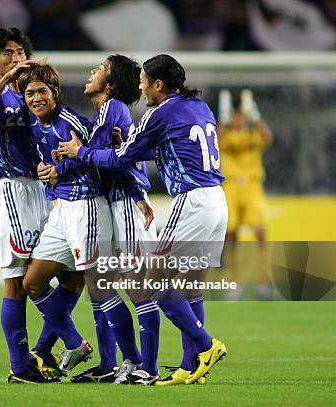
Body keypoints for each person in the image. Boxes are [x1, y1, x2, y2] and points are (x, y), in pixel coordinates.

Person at [58, 54, 228, 385]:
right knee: (190, 286)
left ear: (158, 85)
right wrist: (135, 145)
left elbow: (122, 158)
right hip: (217, 200)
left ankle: (206, 346)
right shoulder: (199, 107)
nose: (141, 88)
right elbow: (173, 147)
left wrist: (80, 153)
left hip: (190, 200)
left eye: (144, 82)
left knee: (152, 280)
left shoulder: (157, 113)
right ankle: (189, 367)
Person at [44, 55, 161, 385]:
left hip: (122, 204)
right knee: (101, 287)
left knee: (136, 286)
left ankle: (145, 366)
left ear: (109, 84)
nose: (92, 72)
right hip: (117, 202)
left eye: (100, 69)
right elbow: (102, 155)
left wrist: (68, 159)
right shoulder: (105, 113)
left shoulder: (113, 107)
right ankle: (118, 363)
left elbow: (96, 153)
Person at [0, 28, 61, 384]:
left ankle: (42, 350)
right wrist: (6, 78)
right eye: (8, 53)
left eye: (21, 52)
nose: (16, 58)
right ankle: (22, 366)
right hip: (11, 192)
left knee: (64, 269)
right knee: (17, 281)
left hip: (41, 189)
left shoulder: (31, 94)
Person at [217, 88, 272, 242]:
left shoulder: (253, 135)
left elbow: (268, 137)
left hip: (252, 185)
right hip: (230, 185)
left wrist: (255, 114)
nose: (239, 120)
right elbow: (214, 140)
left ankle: (263, 262)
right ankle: (231, 264)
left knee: (259, 227)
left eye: (242, 117)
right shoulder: (227, 137)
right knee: (230, 230)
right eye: (236, 117)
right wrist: (223, 116)